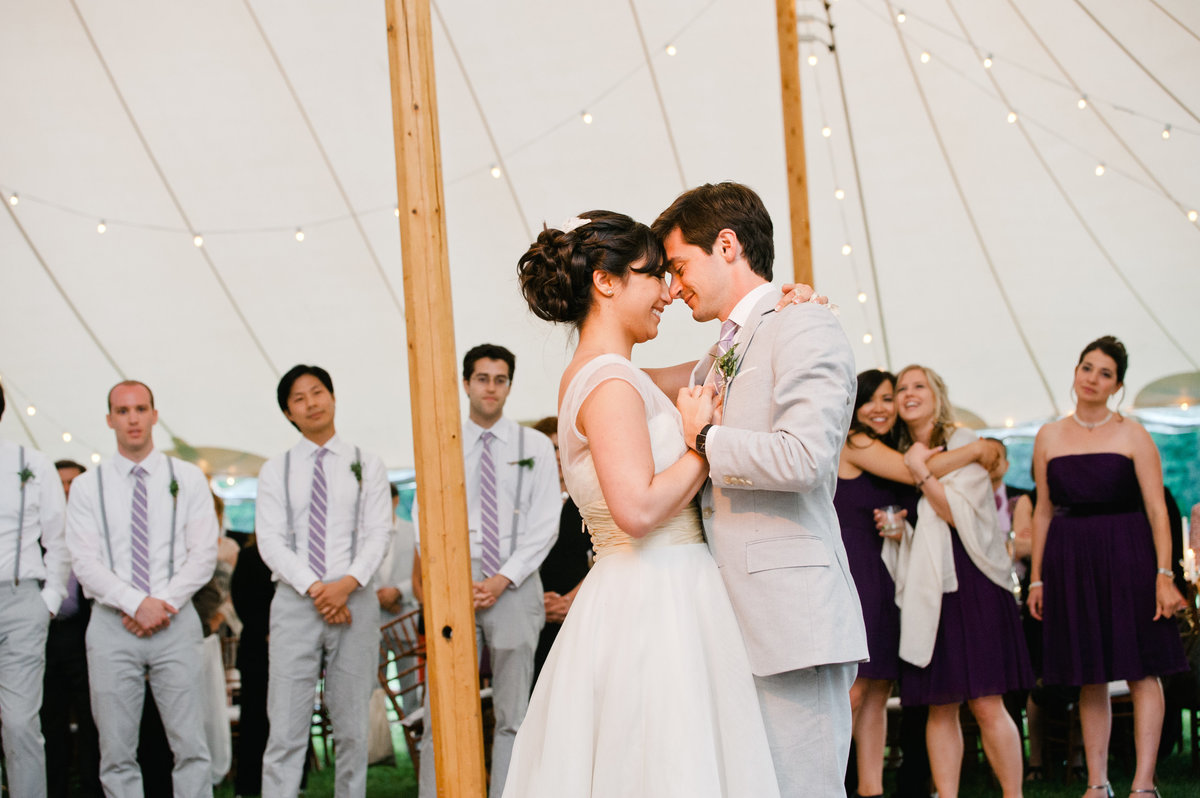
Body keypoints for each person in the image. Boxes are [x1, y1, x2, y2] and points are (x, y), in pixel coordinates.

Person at [504, 209, 780, 798]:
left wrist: (776, 316)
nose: (667, 291)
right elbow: (636, 508)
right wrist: (703, 447)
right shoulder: (609, 381)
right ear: (606, 281)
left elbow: (717, 368)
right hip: (657, 594)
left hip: (652, 585)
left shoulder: (616, 374)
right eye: (653, 274)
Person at [650, 182, 863, 796]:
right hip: (728, 618)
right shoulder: (718, 352)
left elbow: (805, 458)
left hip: (790, 617)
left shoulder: (804, 325)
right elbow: (630, 380)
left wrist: (706, 439)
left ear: (727, 245)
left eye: (679, 266)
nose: (674, 285)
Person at [1028, 336, 1188, 797]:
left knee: (1142, 668)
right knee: (1089, 671)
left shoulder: (1134, 433)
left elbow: (1158, 510)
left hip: (1129, 553)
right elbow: (1042, 511)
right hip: (1069, 559)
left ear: (1117, 386)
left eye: (1105, 373)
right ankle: (1097, 784)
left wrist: (1163, 575)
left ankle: (1143, 783)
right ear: (1075, 372)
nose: (1092, 379)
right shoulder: (1048, 436)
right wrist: (1037, 577)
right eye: (1087, 368)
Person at [835, 370, 1000, 798]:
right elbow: (916, 475)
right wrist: (977, 448)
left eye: (888, 399)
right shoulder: (856, 442)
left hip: (892, 576)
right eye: (871, 399)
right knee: (852, 694)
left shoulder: (896, 447)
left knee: (877, 690)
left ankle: (871, 789)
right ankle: (823, 783)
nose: (881, 407)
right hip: (856, 576)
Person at [416, 344, 560, 798]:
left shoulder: (534, 445)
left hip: (515, 581)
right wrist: (450, 577)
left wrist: (503, 578)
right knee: (440, 709)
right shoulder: (441, 444)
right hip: (454, 580)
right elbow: (427, 516)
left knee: (513, 714)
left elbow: (544, 522)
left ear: (509, 386)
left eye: (500, 379)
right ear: (465, 384)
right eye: (482, 378)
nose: (491, 387)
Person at [64, 380, 217, 798]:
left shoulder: (187, 478)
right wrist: (135, 603)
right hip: (112, 627)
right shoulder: (85, 486)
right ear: (110, 419)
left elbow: (203, 553)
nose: (132, 418)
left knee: (190, 745)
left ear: (154, 414)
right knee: (115, 751)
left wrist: (160, 604)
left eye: (140, 409)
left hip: (176, 620)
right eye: (123, 410)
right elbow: (84, 561)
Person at [887, 365, 1031, 798]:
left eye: (919, 386)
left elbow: (956, 512)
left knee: (987, 702)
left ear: (937, 395)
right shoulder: (894, 453)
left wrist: (923, 471)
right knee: (940, 702)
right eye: (901, 389)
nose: (908, 394)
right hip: (928, 585)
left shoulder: (965, 441)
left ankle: (1013, 794)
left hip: (972, 581)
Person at [255, 364, 391, 798]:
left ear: (332, 398)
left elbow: (379, 532)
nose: (311, 402)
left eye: (318, 392)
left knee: (352, 726)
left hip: (356, 598)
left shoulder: (366, 463)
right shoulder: (275, 470)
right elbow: (270, 540)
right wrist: (317, 589)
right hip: (297, 601)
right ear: (288, 413)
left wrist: (346, 584)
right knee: (286, 725)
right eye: (299, 398)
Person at [1, 385, 70, 798]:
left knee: (20, 723)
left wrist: (49, 599)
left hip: (20, 599)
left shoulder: (31, 463)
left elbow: (58, 540)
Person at [43, 459, 102, 798]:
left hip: (87, 631)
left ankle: (93, 789)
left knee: (94, 718)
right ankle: (55, 789)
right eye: (60, 483)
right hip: (49, 634)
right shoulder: (37, 530)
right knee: (50, 718)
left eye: (72, 483)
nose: (66, 490)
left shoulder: (96, 528)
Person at [529, 415, 591, 683]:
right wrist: (534, 604)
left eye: (560, 447)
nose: (556, 456)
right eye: (549, 449)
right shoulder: (527, 504)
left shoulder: (586, 498)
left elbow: (604, 555)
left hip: (580, 607)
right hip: (534, 612)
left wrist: (569, 601)